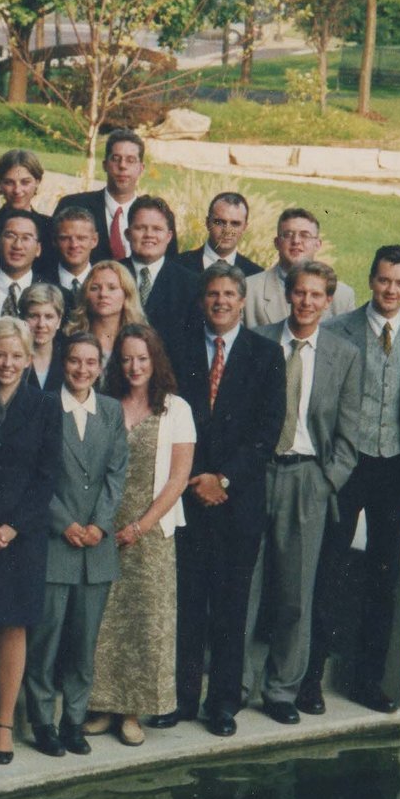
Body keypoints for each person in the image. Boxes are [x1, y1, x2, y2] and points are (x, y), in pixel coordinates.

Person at [304, 245, 400, 716]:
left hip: (396, 468)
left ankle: (367, 680)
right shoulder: (338, 330)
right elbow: (319, 402)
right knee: (329, 566)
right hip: (348, 463)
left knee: (384, 573)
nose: (391, 290)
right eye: (384, 280)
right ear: (371, 279)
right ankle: (309, 679)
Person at [160, 263, 285, 737]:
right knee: (188, 603)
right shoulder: (179, 350)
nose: (220, 301)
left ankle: (223, 703)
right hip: (188, 496)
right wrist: (196, 479)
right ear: (202, 300)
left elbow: (266, 432)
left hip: (238, 501)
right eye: (212, 293)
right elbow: (170, 420)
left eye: (229, 294)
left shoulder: (265, 355)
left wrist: (224, 479)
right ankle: (183, 698)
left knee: (231, 607)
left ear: (241, 300)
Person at [244, 262, 361, 725]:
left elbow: (348, 434)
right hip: (258, 473)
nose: (307, 302)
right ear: (288, 294)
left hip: (306, 477)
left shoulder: (343, 354)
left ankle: (281, 689)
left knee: (295, 592)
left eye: (316, 295)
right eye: (300, 293)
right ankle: (236, 683)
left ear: (328, 301)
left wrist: (326, 480)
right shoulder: (259, 341)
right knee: (246, 584)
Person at [87, 324, 196, 746]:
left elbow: (179, 478)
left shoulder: (176, 409)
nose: (135, 366)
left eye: (143, 359)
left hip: (150, 532)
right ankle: (101, 706)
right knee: (103, 619)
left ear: (156, 362)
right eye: (128, 358)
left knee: (143, 620)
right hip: (104, 526)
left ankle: (131, 711)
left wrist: (140, 527)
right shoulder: (104, 403)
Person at [22, 333, 129, 757]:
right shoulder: (45, 407)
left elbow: (116, 473)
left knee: (84, 644)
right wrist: (63, 522)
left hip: (95, 549)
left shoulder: (111, 410)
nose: (82, 370)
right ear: (62, 364)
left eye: (90, 363)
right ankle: (43, 722)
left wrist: (100, 526)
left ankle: (74, 721)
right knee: (45, 641)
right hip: (55, 543)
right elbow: (33, 475)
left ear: (100, 368)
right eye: (74, 362)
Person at [0, 318, 62, 766]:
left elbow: (47, 476)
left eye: (16, 356)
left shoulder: (45, 405)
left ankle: (4, 726)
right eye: (0, 354)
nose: (7, 363)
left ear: (29, 359)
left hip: (22, 537)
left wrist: (13, 527)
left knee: (14, 627)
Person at [51, 130, 177, 262]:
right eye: (116, 159)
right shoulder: (72, 205)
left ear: (141, 168)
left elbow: (170, 266)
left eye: (131, 160)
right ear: (105, 165)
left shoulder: (159, 215)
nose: (122, 166)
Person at [243, 208, 356, 328]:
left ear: (317, 244)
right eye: (288, 235)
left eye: (305, 235)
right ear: (277, 243)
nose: (296, 241)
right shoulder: (249, 290)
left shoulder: (342, 296)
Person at [123, 196, 195, 344]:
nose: (149, 235)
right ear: (128, 234)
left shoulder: (190, 284)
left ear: (169, 236)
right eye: (140, 228)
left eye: (157, 229)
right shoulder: (111, 274)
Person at [0, 149, 53, 272]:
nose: (17, 190)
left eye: (25, 182)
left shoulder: (49, 227)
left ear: (37, 182)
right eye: (9, 182)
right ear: (0, 184)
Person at [64, 260, 147, 367]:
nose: (103, 294)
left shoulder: (142, 340)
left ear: (126, 295)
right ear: (86, 296)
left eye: (112, 288)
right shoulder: (71, 339)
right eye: (95, 288)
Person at [176, 191, 265, 276]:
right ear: (207, 223)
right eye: (219, 222)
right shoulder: (178, 265)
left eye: (235, 224)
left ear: (244, 227)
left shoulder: (255, 274)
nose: (227, 231)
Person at [0, 209, 45, 322]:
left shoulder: (55, 291)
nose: (18, 245)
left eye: (26, 238)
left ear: (38, 249)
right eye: (10, 236)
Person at [20, 283, 66, 393]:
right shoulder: (12, 359)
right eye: (33, 316)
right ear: (23, 318)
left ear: (59, 321)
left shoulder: (67, 357)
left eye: (49, 317)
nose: (41, 324)